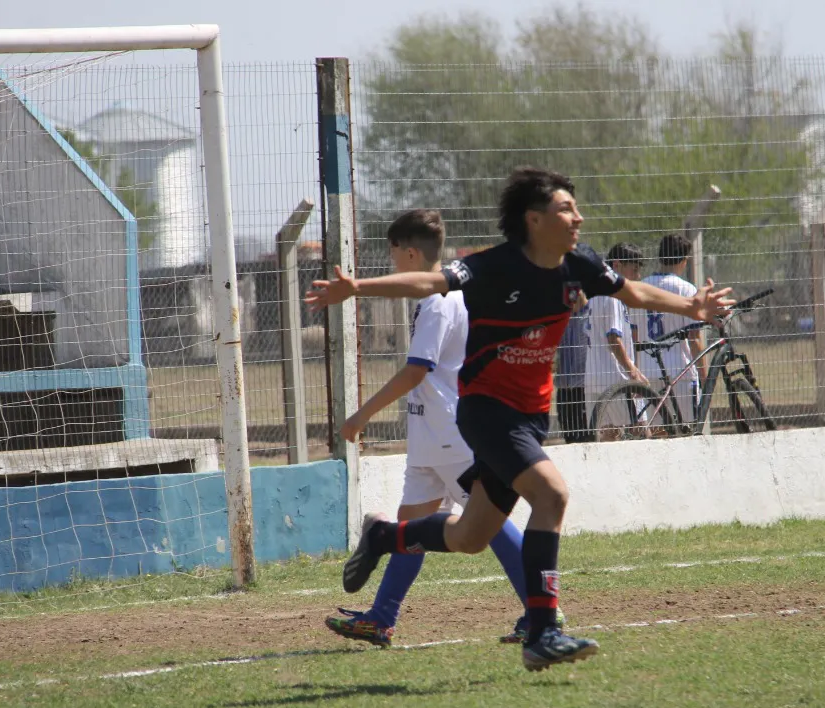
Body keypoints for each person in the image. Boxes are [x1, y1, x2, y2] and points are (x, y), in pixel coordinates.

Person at [305, 166, 733, 671]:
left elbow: (633, 294)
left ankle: (385, 536)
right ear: (533, 220)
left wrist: (691, 307)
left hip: (532, 416)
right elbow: (430, 279)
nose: (578, 217)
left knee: (470, 537)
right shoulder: (495, 266)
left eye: (575, 207)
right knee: (551, 495)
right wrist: (358, 288)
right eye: (565, 209)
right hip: (487, 412)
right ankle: (543, 631)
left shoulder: (580, 264)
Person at [323, 209, 541, 647]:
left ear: (408, 254)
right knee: (409, 525)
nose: (391, 265)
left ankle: (541, 614)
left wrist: (360, 416)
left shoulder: (440, 301)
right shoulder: (443, 297)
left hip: (450, 430)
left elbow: (416, 371)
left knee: (490, 523)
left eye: (391, 256)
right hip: (430, 432)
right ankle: (380, 618)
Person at [630, 233, 708, 426]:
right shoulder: (686, 289)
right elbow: (694, 338)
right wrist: (705, 378)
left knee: (658, 435)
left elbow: (634, 337)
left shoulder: (640, 288)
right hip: (680, 373)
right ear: (683, 260)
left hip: (648, 372)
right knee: (689, 431)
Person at [585, 243, 648, 441]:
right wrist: (632, 369)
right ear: (618, 265)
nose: (637, 276)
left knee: (608, 439)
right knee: (641, 431)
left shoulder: (592, 292)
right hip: (615, 378)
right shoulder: (612, 295)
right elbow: (613, 337)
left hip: (593, 377)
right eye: (634, 269)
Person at [553, 290, 591, 443]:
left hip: (582, 387)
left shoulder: (589, 315)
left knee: (585, 435)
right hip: (563, 387)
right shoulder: (561, 317)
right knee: (568, 437)